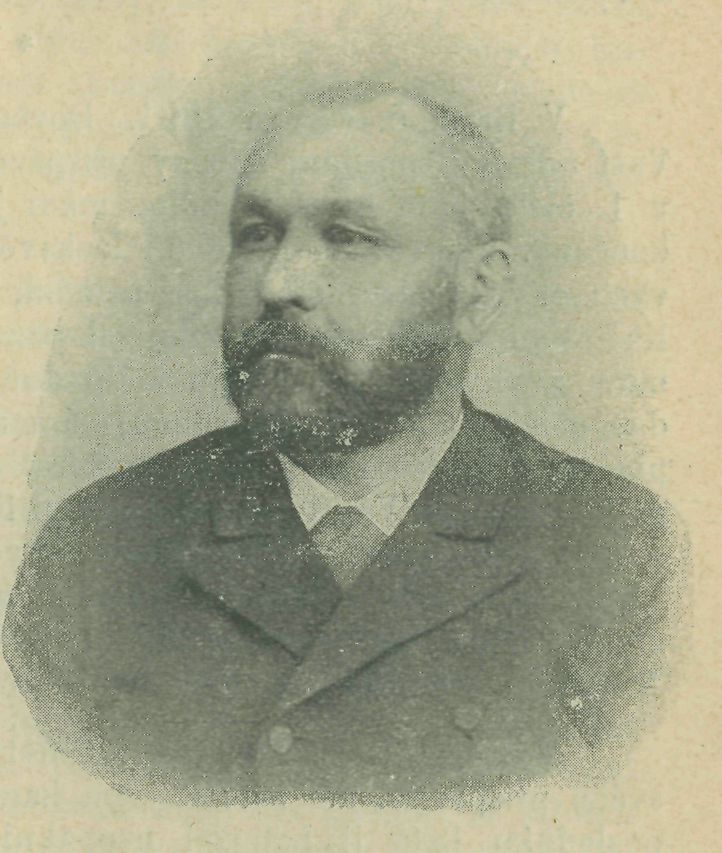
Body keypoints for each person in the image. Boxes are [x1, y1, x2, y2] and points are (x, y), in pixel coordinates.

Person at [2, 81, 683, 806]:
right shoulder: (96, 548)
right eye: (257, 233)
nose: (278, 282)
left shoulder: (627, 555)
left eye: (349, 237)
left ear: (478, 292)